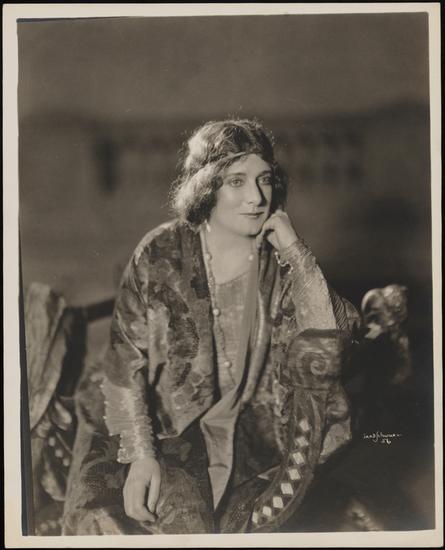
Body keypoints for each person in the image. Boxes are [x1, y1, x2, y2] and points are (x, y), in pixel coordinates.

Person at [62, 119, 360, 535]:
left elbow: (334, 339)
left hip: (250, 429)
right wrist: (141, 456)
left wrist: (296, 252)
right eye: (236, 181)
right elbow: (123, 364)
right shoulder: (160, 252)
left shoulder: (280, 261)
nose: (256, 197)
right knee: (160, 516)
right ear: (207, 187)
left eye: (264, 179)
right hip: (157, 422)